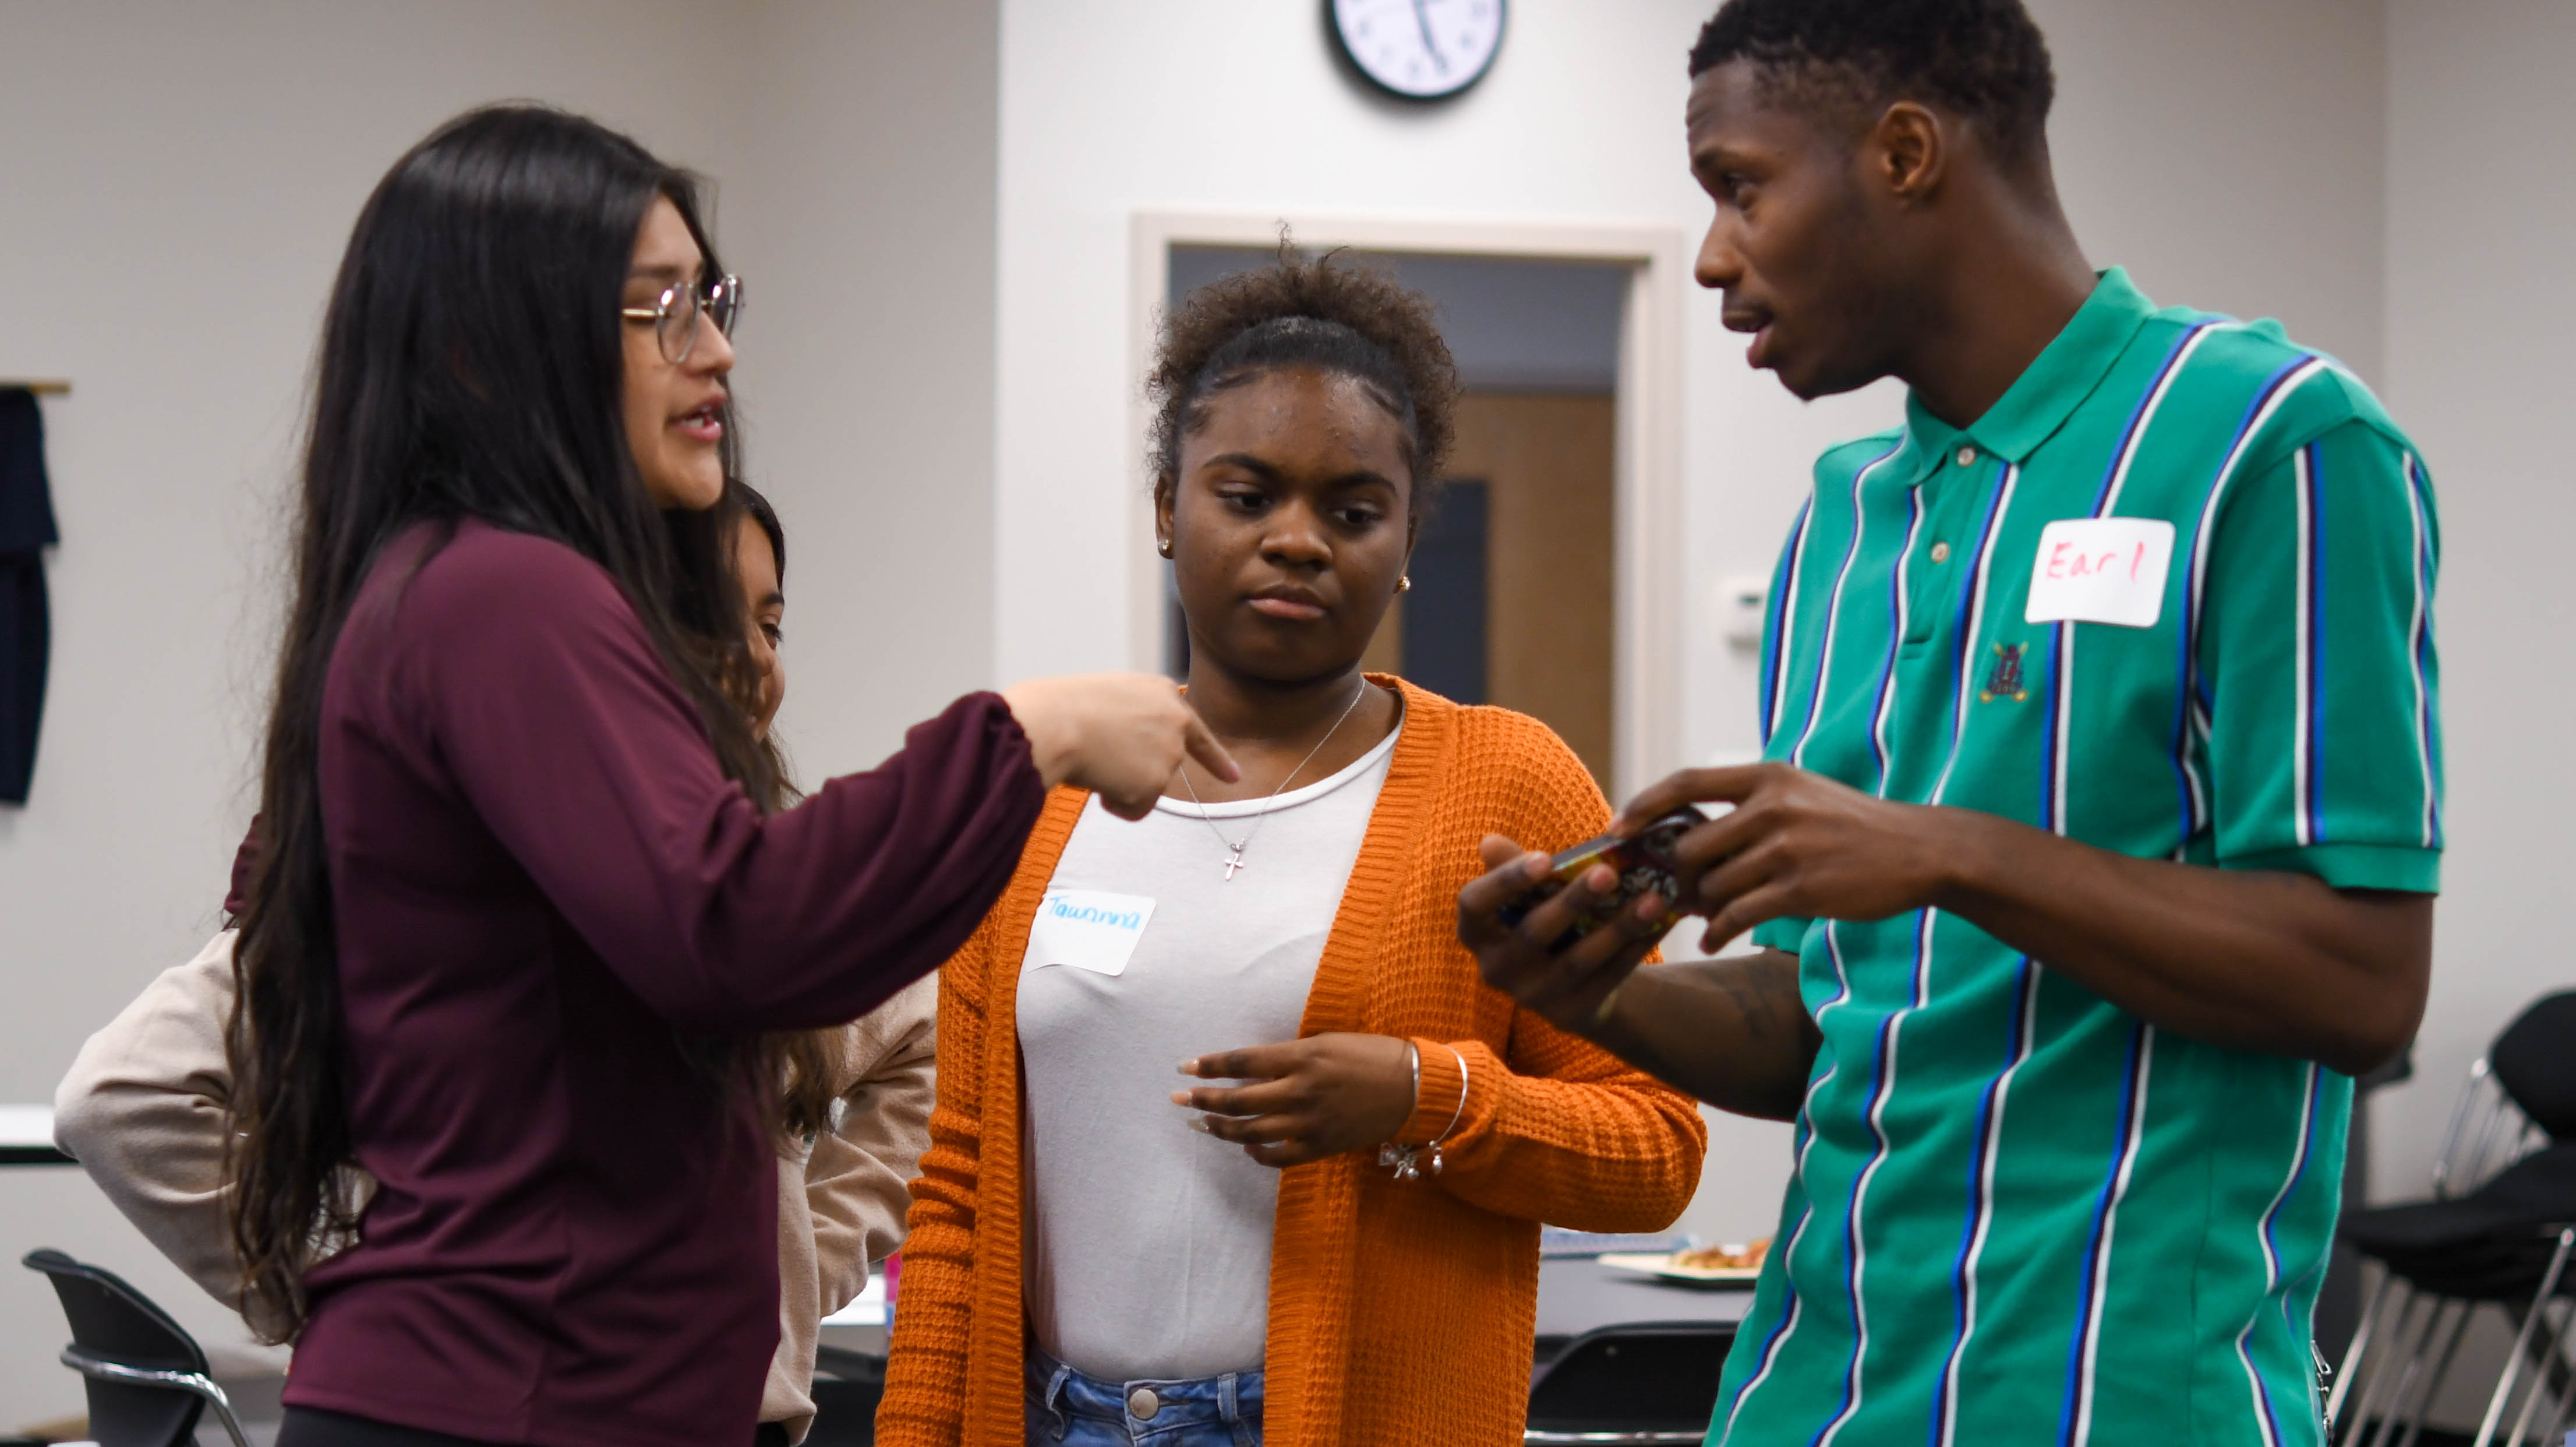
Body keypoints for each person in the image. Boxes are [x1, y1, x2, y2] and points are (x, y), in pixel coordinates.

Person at [1459, 3, 2443, 1445]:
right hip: (1809, 1393)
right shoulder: (1841, 525)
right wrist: (1595, 992)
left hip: (2120, 1401)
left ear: (1904, 151)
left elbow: (2362, 986)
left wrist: (1944, 853)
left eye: (1740, 185)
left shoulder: (2277, 445)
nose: (1712, 256)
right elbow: (1825, 1018)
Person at [225, 105, 1233, 1447]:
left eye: (710, 297)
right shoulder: (503, 594)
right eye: (656, 311)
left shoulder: (450, 586)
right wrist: (1021, 733)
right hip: (512, 1410)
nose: (715, 351)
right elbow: (738, 927)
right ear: (486, 351)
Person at [877, 253, 1707, 1447]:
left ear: (1411, 535)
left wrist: (1425, 1096)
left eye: (1353, 510)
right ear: (1166, 507)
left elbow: (1656, 1149)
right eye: (1247, 493)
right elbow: (956, 1184)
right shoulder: (1045, 792)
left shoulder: (1506, 781)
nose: (1298, 540)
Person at [56, 482, 921, 1446]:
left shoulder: (765, 871)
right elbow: (118, 1096)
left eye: (772, 627)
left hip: (713, 1414)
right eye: (711, 623)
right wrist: (349, 1292)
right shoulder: (446, 854)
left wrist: (789, 1280)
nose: (759, 664)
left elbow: (924, 1044)